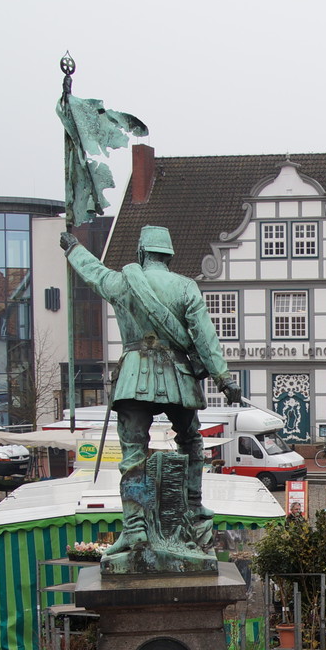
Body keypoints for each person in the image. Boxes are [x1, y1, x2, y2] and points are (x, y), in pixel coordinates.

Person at [61, 224, 240, 573]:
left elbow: (93, 272)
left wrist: (73, 248)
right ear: (169, 255)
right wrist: (223, 377)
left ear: (142, 253)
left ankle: (135, 528)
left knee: (132, 453)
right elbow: (205, 335)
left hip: (134, 375)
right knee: (190, 441)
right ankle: (194, 508)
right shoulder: (185, 286)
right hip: (177, 374)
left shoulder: (124, 281)